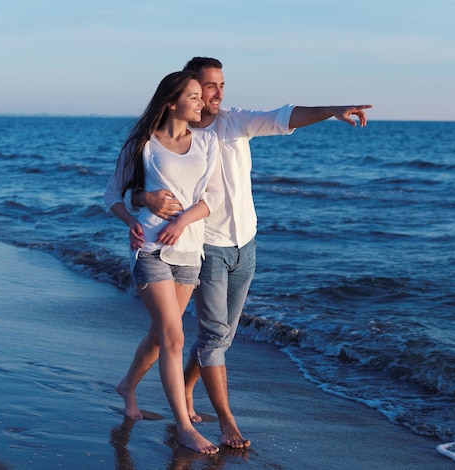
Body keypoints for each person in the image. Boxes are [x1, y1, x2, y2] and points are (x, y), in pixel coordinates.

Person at [129, 57, 372, 449]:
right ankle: (225, 422)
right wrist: (141, 204)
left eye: (222, 85)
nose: (218, 93)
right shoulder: (175, 133)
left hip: (246, 245)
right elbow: (135, 182)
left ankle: (173, 389)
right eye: (209, 86)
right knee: (207, 335)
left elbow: (284, 115)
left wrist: (330, 111)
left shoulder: (234, 122)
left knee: (216, 336)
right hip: (202, 247)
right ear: (190, 90)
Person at [103, 70, 224, 454]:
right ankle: (185, 427)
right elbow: (112, 195)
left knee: (159, 337)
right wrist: (135, 213)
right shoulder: (143, 144)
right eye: (193, 96)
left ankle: (127, 386)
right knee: (174, 336)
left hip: (190, 251)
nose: (202, 102)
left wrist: (184, 219)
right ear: (171, 102)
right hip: (150, 249)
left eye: (200, 97)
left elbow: (215, 198)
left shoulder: (207, 142)